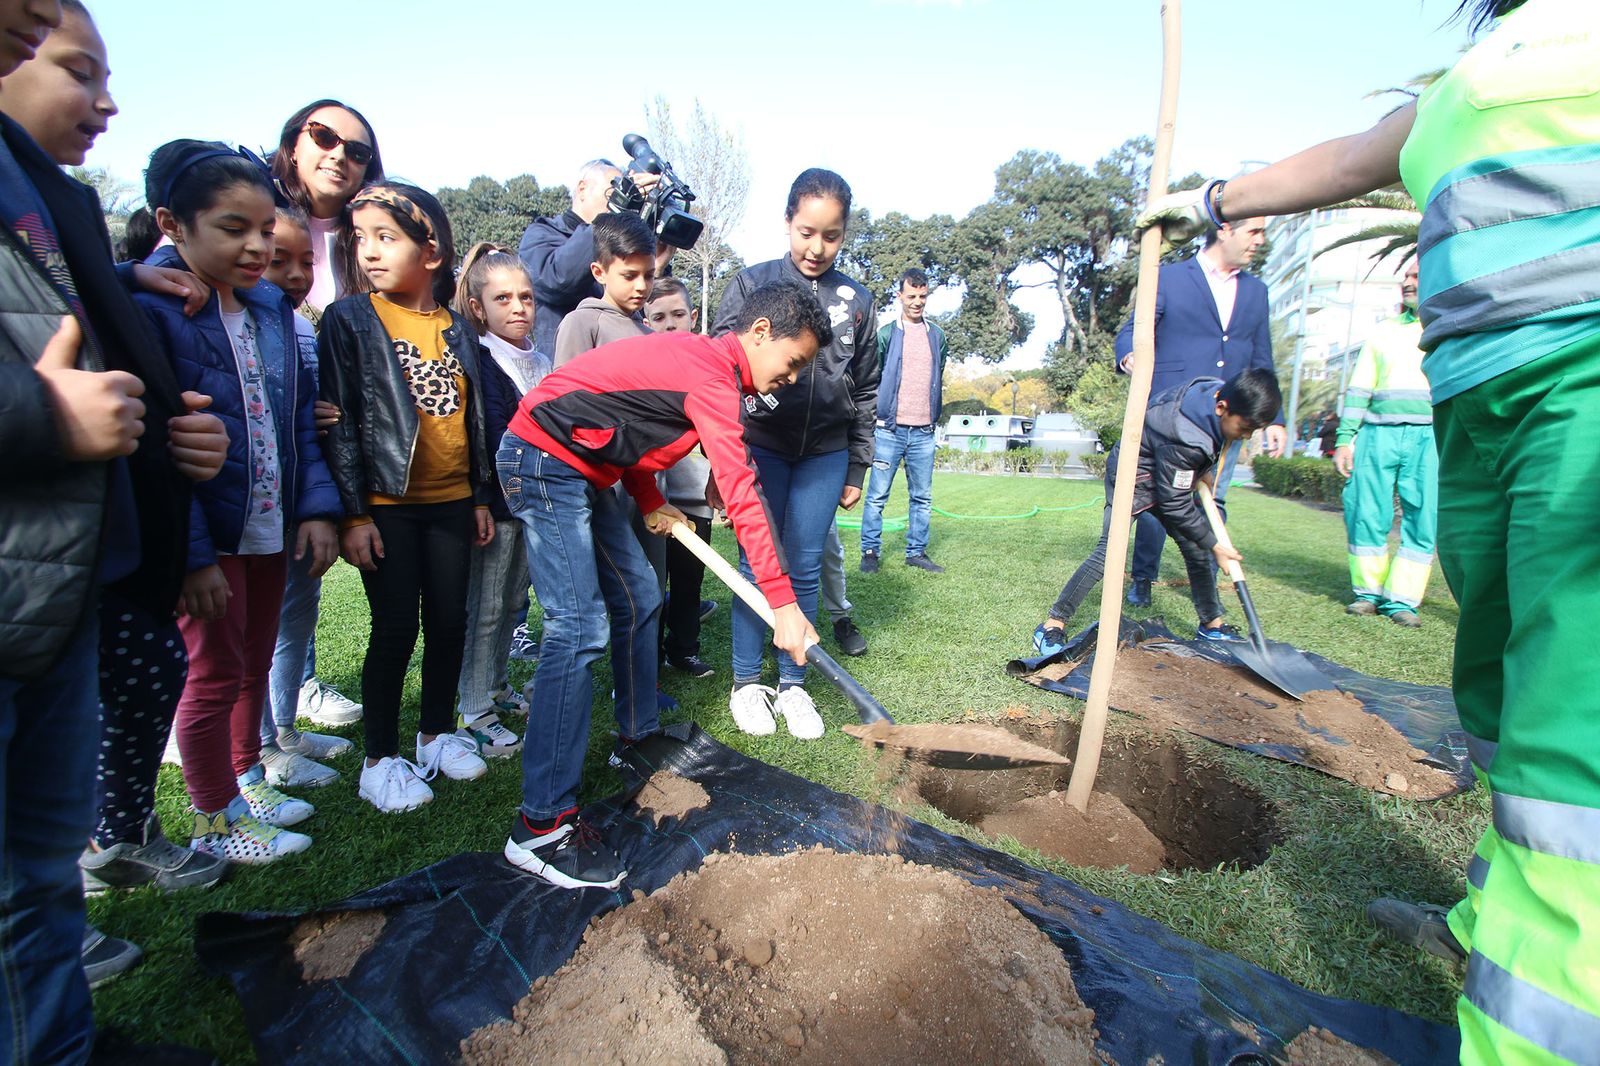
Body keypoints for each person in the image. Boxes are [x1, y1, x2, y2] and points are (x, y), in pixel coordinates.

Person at [1139, 3, 1599, 1058]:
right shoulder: (1489, 61)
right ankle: (1488, 926)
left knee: (1575, 730)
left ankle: (1536, 1030)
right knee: (1497, 697)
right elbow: (1353, 156)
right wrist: (1210, 199)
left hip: (1583, 393)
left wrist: (1216, 545)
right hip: (1480, 409)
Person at [0, 0, 226, 1040]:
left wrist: (165, 445)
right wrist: (42, 415)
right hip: (22, 575)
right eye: (74, 67)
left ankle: (58, 1039)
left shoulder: (58, 203)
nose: (106, 99)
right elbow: (49, 389)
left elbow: (93, 360)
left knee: (37, 865)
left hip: (65, 579)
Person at [498, 280, 829, 889]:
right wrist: (781, 601)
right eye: (794, 361)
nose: (792, 377)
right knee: (578, 629)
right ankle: (540, 827)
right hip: (543, 460)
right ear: (759, 334)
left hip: (586, 468)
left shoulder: (705, 366)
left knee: (641, 596)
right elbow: (741, 492)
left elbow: (623, 423)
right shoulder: (712, 376)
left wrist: (651, 498)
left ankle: (635, 736)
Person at [137, 139, 342, 865]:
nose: (257, 248)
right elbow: (156, 461)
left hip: (266, 524)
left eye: (265, 230)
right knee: (212, 673)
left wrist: (314, 508)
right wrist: (194, 557)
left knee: (253, 661)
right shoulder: (153, 311)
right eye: (234, 230)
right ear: (173, 224)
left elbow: (296, 423)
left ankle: (248, 776)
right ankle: (214, 817)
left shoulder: (272, 315)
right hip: (206, 536)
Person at [319, 182, 495, 814]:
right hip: (386, 506)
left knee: (450, 623)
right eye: (359, 238)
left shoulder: (456, 328)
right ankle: (379, 760)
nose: (368, 251)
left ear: (432, 251)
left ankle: (436, 735)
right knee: (395, 628)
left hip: (451, 502)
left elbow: (473, 419)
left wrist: (477, 496)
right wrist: (353, 513)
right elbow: (338, 420)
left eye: (385, 237)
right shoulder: (350, 320)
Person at [712, 169, 879, 738]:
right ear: (788, 222)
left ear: (845, 234)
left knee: (804, 564)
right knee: (756, 564)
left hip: (825, 453)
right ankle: (745, 682)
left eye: (831, 236)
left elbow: (866, 387)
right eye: (807, 231)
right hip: (759, 447)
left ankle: (793, 685)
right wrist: (721, 458)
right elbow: (719, 373)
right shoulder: (750, 283)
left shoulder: (858, 301)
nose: (817, 247)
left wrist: (858, 462)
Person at [266, 99, 384, 731]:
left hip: (328, 436)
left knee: (301, 581)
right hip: (260, 436)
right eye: (323, 136)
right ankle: (239, 735)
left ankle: (290, 698)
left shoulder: (361, 239)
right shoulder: (253, 218)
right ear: (293, 143)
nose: (340, 154)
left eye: (357, 149)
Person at [1033, 370, 1281, 655]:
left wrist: (1203, 470)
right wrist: (1215, 545)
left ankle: (1211, 624)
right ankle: (1052, 625)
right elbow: (1175, 503)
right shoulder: (1187, 435)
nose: (1247, 436)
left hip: (1165, 469)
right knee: (1109, 552)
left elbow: (1197, 454)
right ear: (1222, 406)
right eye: (1245, 427)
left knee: (1194, 547)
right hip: (1133, 474)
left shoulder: (1214, 392)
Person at [1114, 216, 1284, 608]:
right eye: (1253, 231)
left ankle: (1206, 584)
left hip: (1232, 418)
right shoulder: (1171, 278)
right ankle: (1142, 578)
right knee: (1162, 499)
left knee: (1213, 498)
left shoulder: (1256, 291)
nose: (1260, 240)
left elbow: (1263, 356)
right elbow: (1133, 329)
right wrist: (1131, 356)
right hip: (1176, 414)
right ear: (1225, 229)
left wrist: (1273, 417)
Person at [255, 202, 355, 790]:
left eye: (303, 260)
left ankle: (286, 728)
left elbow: (300, 411)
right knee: (258, 634)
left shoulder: (296, 323)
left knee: (295, 619)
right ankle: (261, 747)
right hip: (260, 505)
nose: (295, 275)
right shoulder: (248, 320)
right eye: (278, 261)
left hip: (298, 496)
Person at [453, 242, 551, 756]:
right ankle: (473, 707)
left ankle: (494, 688)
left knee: (514, 603)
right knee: (487, 606)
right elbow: (484, 434)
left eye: (527, 297)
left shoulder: (539, 359)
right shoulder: (482, 360)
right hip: (497, 505)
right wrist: (482, 500)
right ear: (478, 308)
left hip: (530, 504)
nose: (518, 308)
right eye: (504, 298)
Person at [1333, 262, 1435, 627]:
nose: (1406, 283)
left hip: (1431, 436)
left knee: (1423, 517)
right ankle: (1367, 593)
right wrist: (1345, 439)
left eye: (1416, 277)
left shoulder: (1449, 331)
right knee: (1366, 512)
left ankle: (1402, 601)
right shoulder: (1382, 334)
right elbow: (1359, 389)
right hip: (1378, 434)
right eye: (1405, 277)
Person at [648, 278, 717, 678]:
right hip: (652, 499)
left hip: (694, 497)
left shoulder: (704, 370)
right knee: (652, 585)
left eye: (677, 315)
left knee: (689, 582)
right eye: (658, 317)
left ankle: (683, 649)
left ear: (692, 318)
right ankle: (649, 654)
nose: (669, 324)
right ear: (645, 321)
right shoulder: (640, 367)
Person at [860, 267, 948, 574]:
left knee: (922, 498)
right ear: (900, 296)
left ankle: (916, 552)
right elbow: (873, 377)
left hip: (924, 432)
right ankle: (870, 551)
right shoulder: (886, 334)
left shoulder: (937, 336)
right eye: (911, 296)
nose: (917, 302)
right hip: (888, 431)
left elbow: (938, 375)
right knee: (877, 497)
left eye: (922, 296)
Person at [517, 158, 622, 357]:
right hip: (567, 366)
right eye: (615, 189)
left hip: (615, 366)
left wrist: (658, 266)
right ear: (582, 189)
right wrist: (605, 225)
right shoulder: (542, 234)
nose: (620, 199)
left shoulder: (618, 244)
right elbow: (557, 279)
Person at [551, 211, 655, 367]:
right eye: (629, 276)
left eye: (648, 276)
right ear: (599, 273)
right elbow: (567, 390)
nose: (641, 286)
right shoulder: (581, 324)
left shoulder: (652, 336)